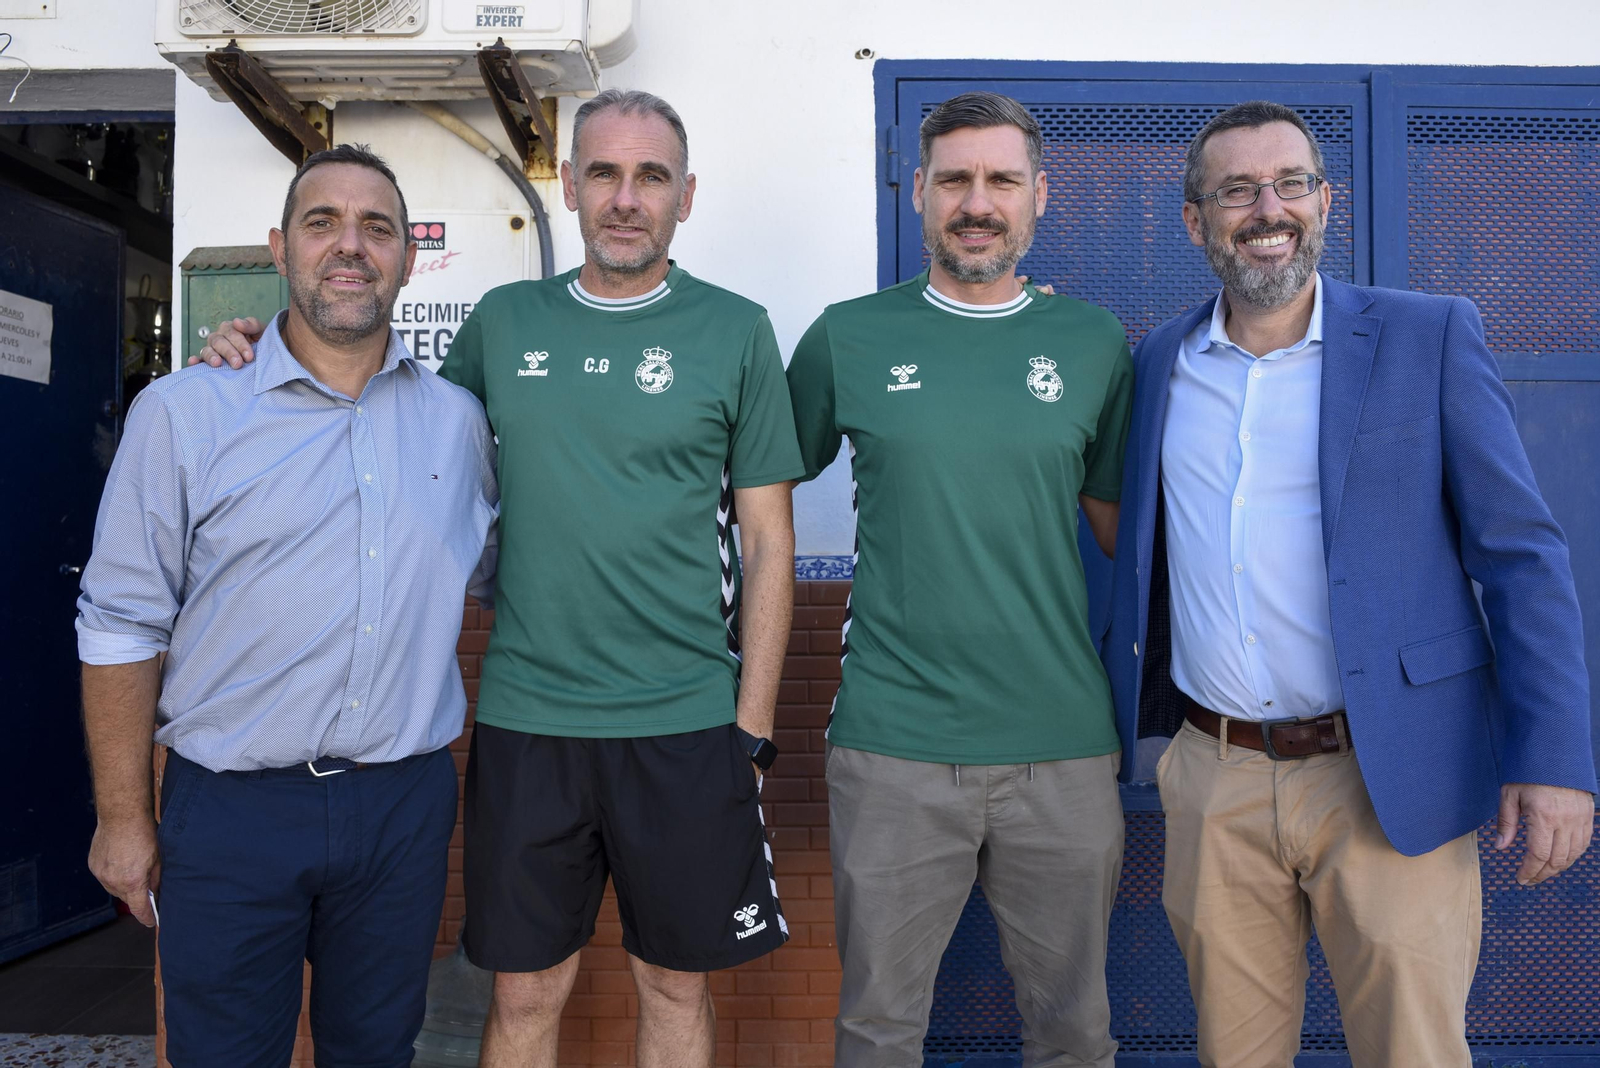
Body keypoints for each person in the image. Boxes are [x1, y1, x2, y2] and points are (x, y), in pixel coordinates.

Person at [194, 89, 804, 1068]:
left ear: (685, 196)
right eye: (603, 172)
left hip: (687, 724)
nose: (625, 197)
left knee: (673, 984)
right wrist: (257, 345)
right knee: (522, 992)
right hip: (529, 723)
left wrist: (754, 729)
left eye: (650, 176)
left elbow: (770, 541)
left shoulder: (736, 331)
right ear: (570, 188)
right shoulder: (506, 322)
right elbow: (393, 420)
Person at [1102, 100, 1596, 1067]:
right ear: (1196, 221)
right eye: (1237, 191)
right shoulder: (1161, 360)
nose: (1268, 209)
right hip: (1216, 775)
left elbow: (1522, 556)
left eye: (1290, 183)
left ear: (1325, 202)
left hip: (1387, 770)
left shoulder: (1427, 336)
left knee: (1413, 1051)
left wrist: (1555, 759)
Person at [78, 144, 498, 1067]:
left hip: (401, 806)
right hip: (231, 811)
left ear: (408, 258)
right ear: (280, 248)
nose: (350, 246)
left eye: (376, 228)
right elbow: (118, 625)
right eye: (322, 223)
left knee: (378, 1051)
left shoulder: (458, 423)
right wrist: (122, 817)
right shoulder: (185, 412)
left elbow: (507, 578)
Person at [785, 91, 1132, 1067]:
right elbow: (751, 494)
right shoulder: (847, 337)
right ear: (917, 192)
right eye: (955, 181)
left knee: (1075, 1035)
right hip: (893, 745)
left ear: (1038, 196)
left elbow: (1130, 536)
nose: (977, 203)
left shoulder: (1093, 344)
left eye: (1002, 180)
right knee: (877, 1032)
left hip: (1061, 749)